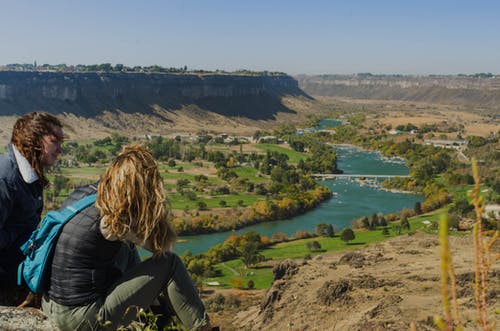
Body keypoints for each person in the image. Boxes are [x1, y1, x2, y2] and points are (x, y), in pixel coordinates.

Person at [42, 145, 211, 331]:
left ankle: (153, 313)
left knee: (127, 247)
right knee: (169, 264)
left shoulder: (84, 195)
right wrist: (152, 206)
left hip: (51, 305)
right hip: (81, 319)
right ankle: (202, 328)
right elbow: (162, 246)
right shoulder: (113, 218)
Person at [0, 112, 63, 293]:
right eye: (54, 141)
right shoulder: (6, 179)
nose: (60, 149)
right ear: (34, 140)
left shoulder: (27, 174)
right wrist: (25, 236)